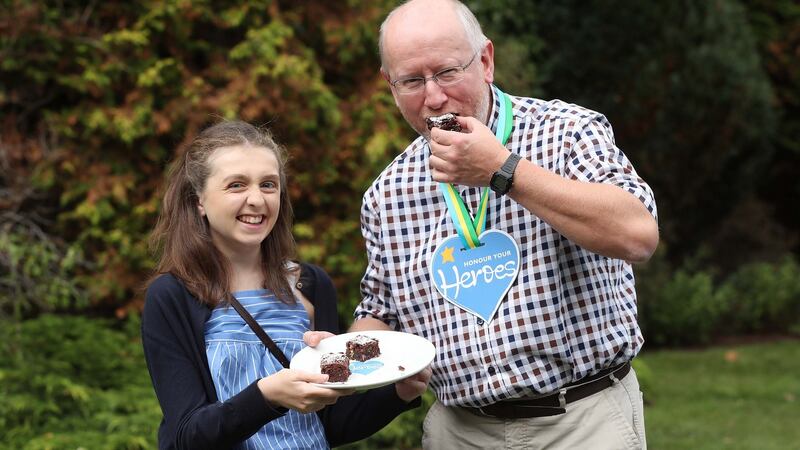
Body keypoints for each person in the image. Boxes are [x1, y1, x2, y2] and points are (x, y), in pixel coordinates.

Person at [350, 1, 659, 448]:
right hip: (460, 431)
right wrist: (343, 356)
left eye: (448, 72)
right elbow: (380, 313)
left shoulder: (568, 131)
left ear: (486, 61)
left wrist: (503, 169)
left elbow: (638, 235)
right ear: (389, 85)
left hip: (583, 421)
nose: (433, 97)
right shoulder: (386, 194)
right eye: (412, 81)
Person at [142, 120, 428, 450]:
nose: (256, 200)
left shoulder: (310, 284)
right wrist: (267, 396)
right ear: (199, 201)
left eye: (268, 184)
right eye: (236, 185)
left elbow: (329, 424)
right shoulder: (173, 296)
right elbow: (185, 437)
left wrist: (398, 392)